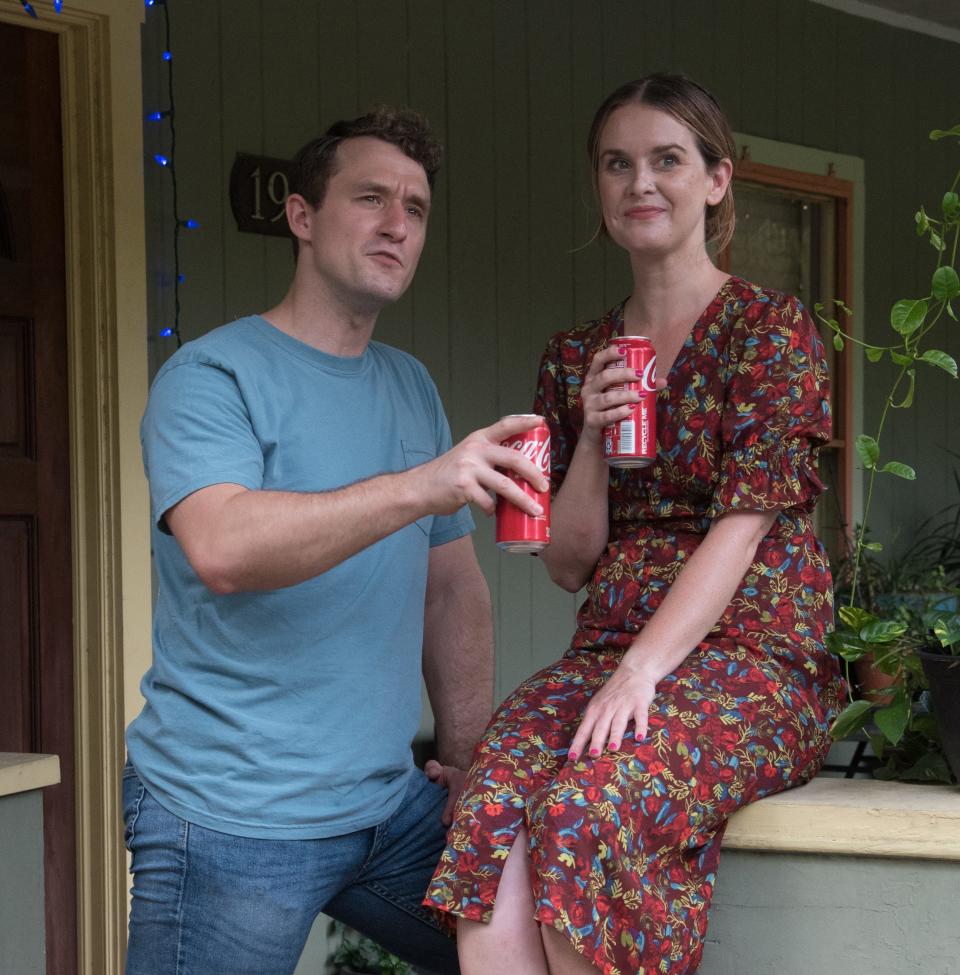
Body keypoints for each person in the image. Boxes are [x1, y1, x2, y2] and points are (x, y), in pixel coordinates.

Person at [424, 74, 844, 975]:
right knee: (494, 796)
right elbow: (566, 565)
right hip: (605, 649)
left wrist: (640, 673)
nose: (640, 183)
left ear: (717, 180)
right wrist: (593, 443)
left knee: (587, 803)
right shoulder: (572, 355)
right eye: (618, 164)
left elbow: (743, 528)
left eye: (667, 160)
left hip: (751, 657)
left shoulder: (772, 330)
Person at [123, 108, 548, 975]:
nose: (398, 223)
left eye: (417, 208)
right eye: (370, 198)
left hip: (387, 808)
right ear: (303, 217)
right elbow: (224, 548)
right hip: (231, 815)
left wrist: (466, 761)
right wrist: (420, 484)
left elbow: (452, 590)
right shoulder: (210, 375)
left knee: (550, 943)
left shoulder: (408, 385)